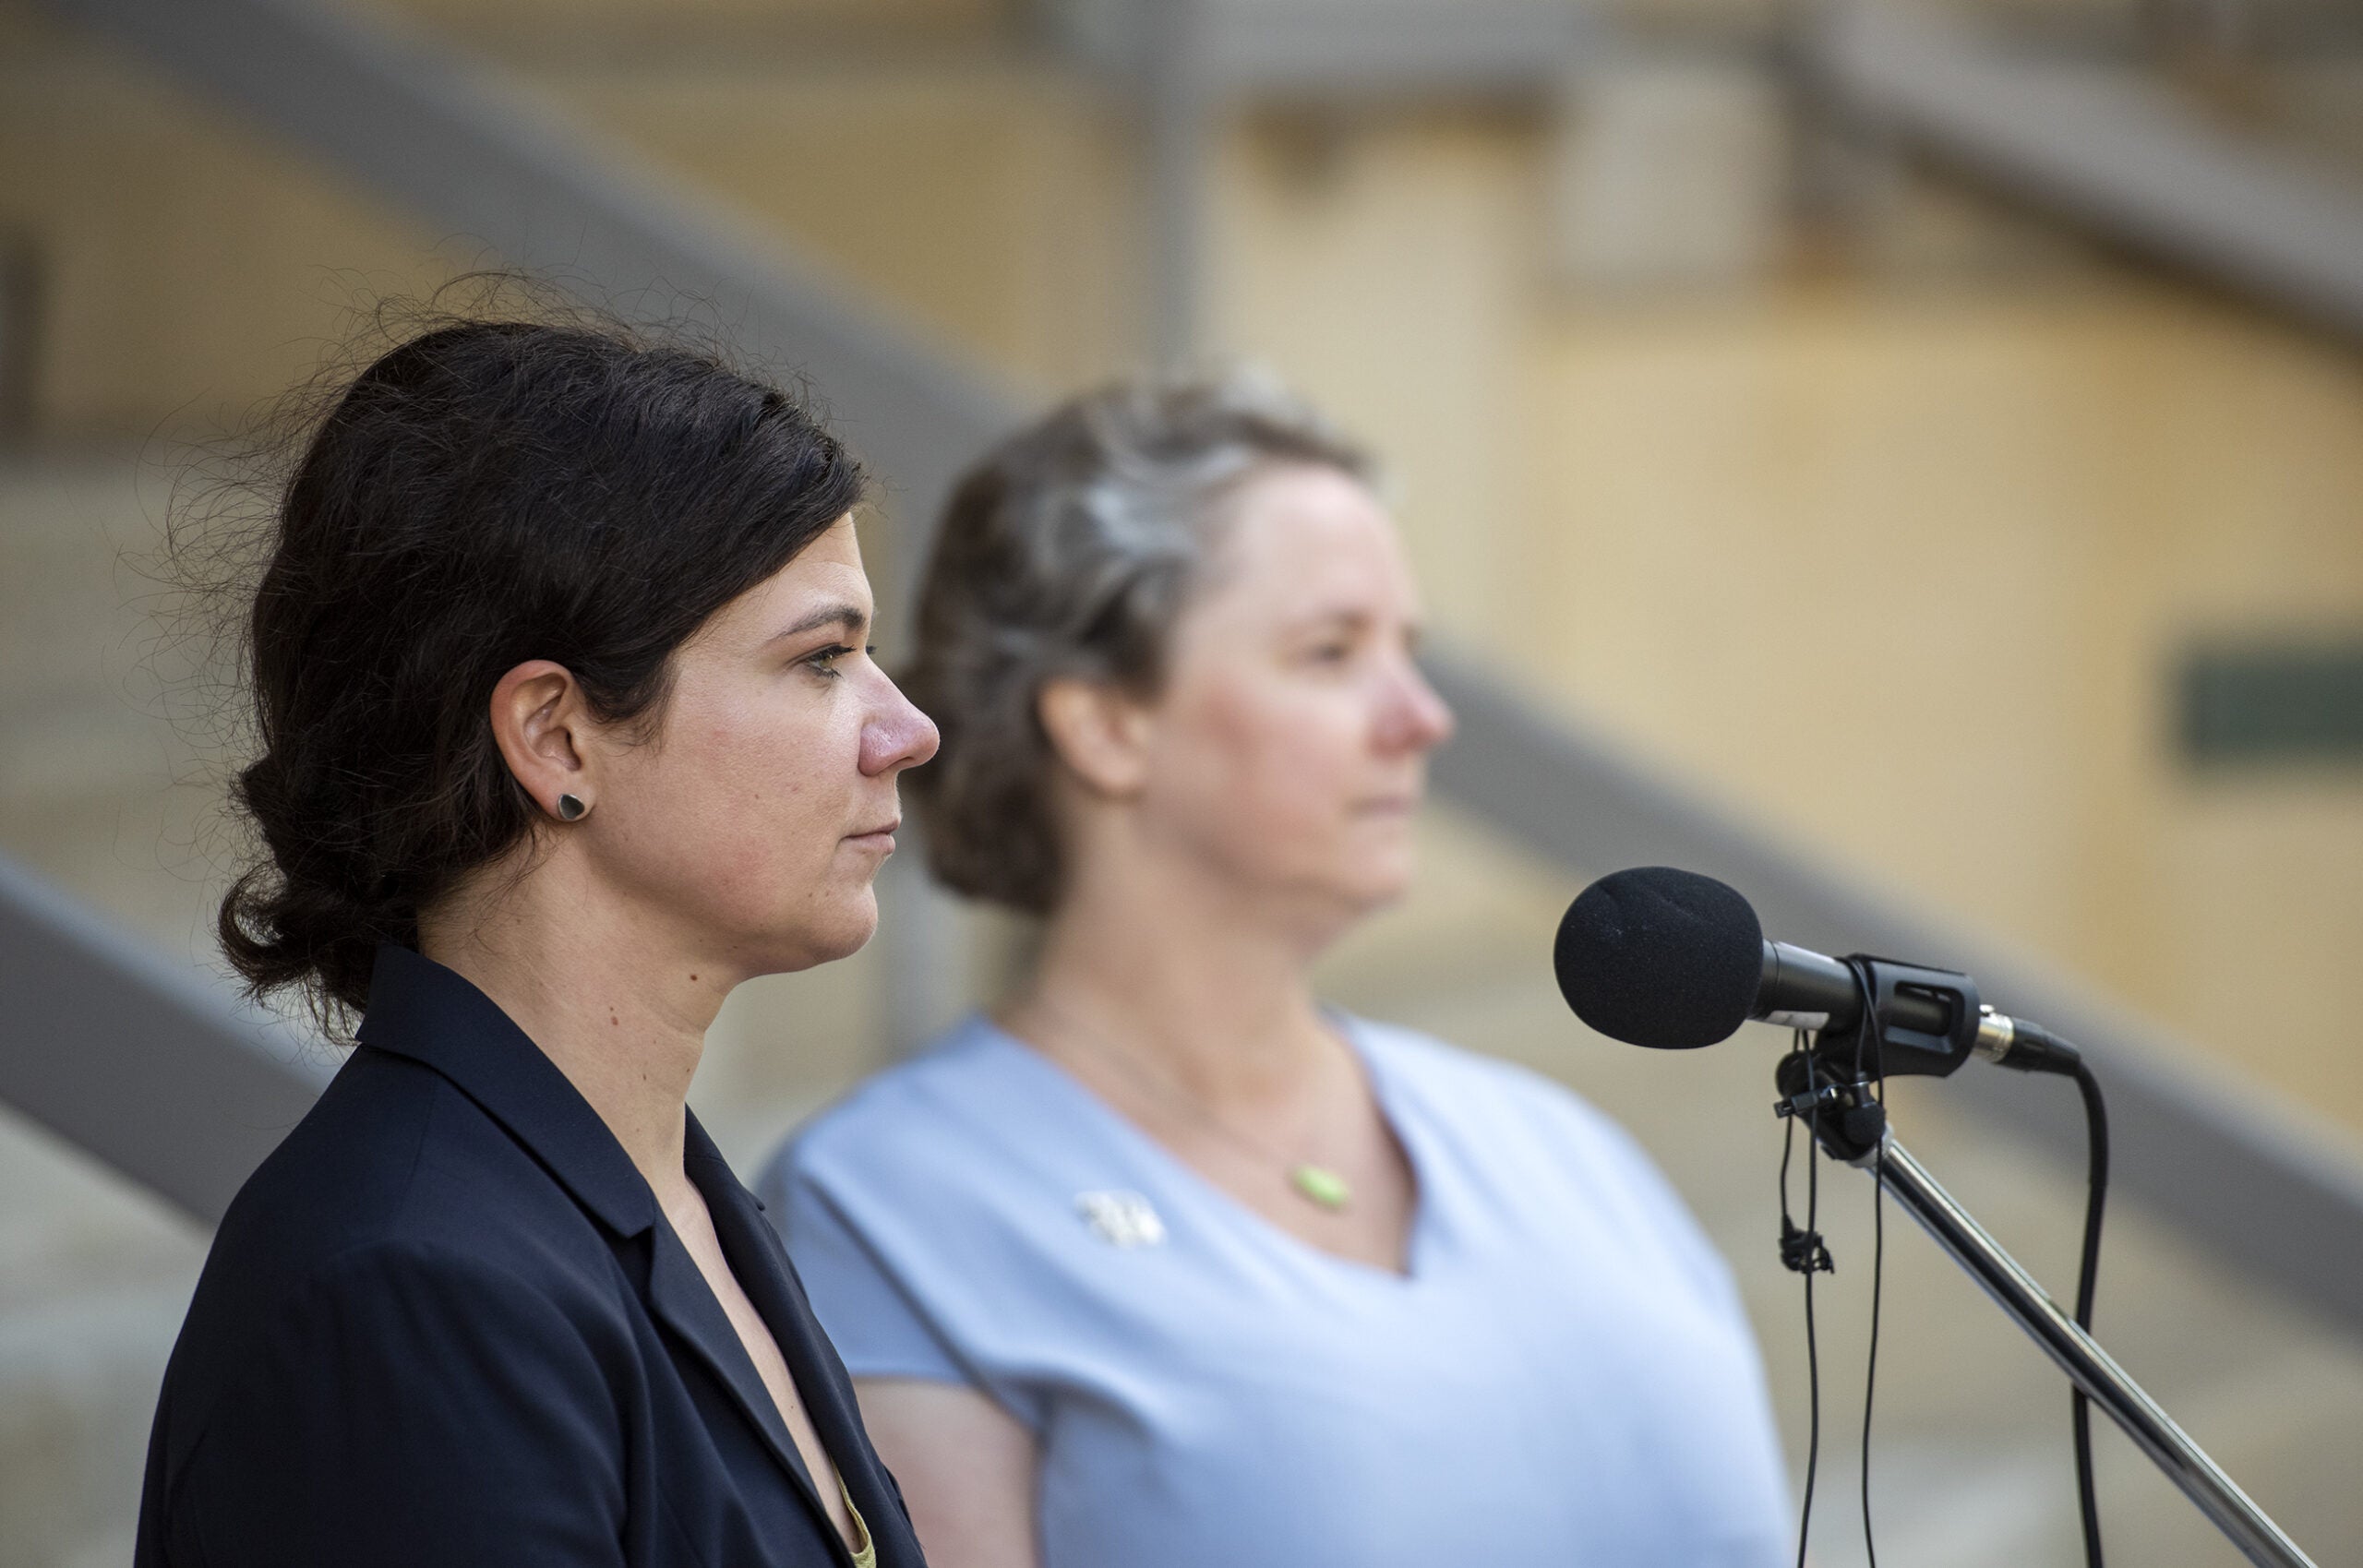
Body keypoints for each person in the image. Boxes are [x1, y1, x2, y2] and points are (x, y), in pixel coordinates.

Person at [759, 370, 1793, 1568]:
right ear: (1104, 722)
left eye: (1406, 650)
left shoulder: (1561, 1154)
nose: (1420, 717)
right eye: (1330, 651)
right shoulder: (892, 1209)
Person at [136, 310, 940, 1568]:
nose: (907, 730)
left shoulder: (660, 1198)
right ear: (557, 739)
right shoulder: (405, 1288)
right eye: (823, 659)